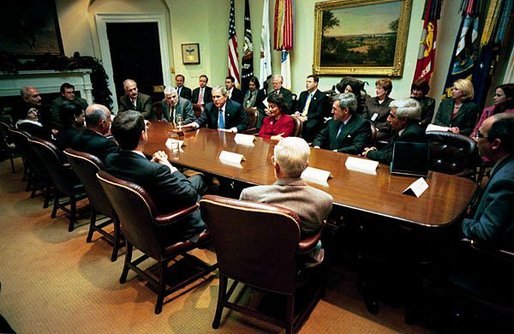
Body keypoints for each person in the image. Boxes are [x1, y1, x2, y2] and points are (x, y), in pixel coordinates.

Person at [105, 110, 206, 240]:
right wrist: (169, 167)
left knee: (200, 179)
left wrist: (150, 163)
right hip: (169, 225)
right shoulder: (155, 171)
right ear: (142, 135)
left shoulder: (110, 160)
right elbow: (190, 195)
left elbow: (137, 173)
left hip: (136, 221)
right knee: (202, 194)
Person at [240, 137, 333, 267]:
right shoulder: (324, 200)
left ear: (275, 164)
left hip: (257, 255)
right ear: (306, 166)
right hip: (297, 260)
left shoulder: (249, 195)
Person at [462, 114, 514, 246]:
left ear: (496, 144)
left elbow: (485, 232)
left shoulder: (505, 181)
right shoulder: (506, 164)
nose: (475, 139)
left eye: (479, 135)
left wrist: (458, 220)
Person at [363, 98, 426, 164]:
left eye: (392, 116)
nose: (388, 119)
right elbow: (390, 150)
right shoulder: (401, 128)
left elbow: (393, 157)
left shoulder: (412, 134)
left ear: (404, 120)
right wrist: (375, 151)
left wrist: (370, 153)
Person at [294, 75, 328, 143]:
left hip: (313, 118)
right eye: (306, 82)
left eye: (309, 82)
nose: (307, 84)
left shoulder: (321, 96)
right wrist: (297, 112)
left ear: (315, 83)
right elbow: (297, 106)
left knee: (309, 126)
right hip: (300, 116)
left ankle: (307, 143)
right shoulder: (303, 94)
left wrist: (306, 118)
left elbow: (319, 113)